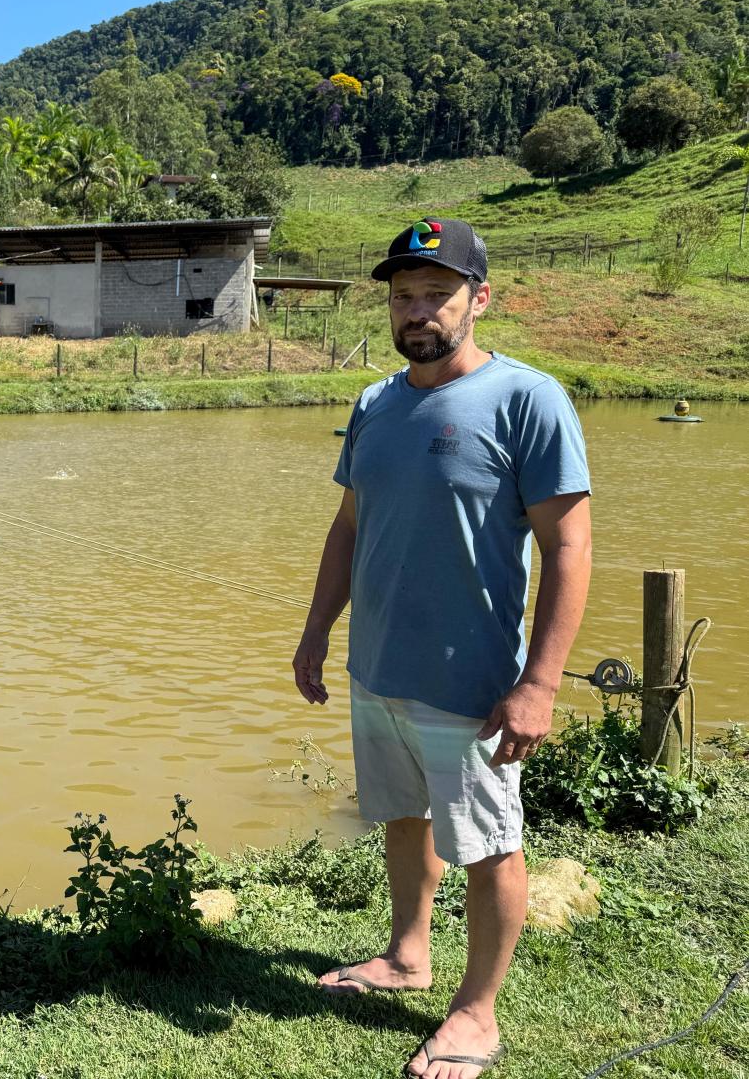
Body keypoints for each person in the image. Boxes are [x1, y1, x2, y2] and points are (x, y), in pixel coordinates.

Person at [292, 218, 592, 1078]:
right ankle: (407, 954)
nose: (417, 311)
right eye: (403, 296)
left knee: (490, 842)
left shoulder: (528, 401)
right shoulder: (376, 403)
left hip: (473, 684)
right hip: (379, 668)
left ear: (480, 299)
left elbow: (571, 546)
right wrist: (317, 628)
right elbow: (349, 525)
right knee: (404, 817)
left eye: (437, 294)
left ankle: (477, 1013)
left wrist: (539, 682)